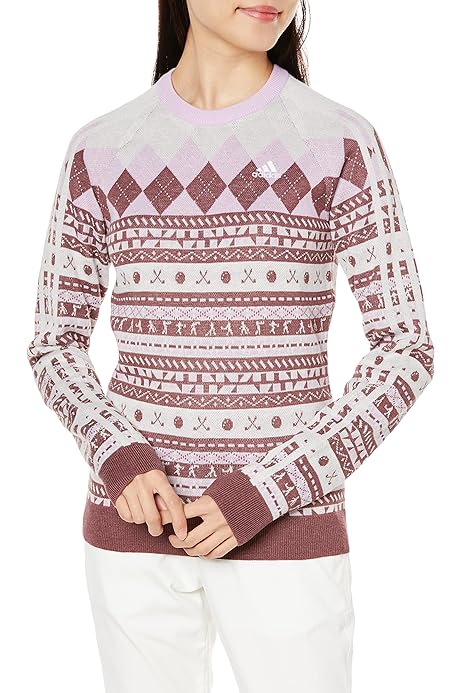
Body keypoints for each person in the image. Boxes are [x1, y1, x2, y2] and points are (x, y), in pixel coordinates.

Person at [26, 1, 435, 691]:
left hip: (286, 535)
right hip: (133, 535)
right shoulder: (101, 148)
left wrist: (266, 490)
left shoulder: (337, 141)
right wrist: (119, 457)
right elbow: (54, 343)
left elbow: (405, 350)